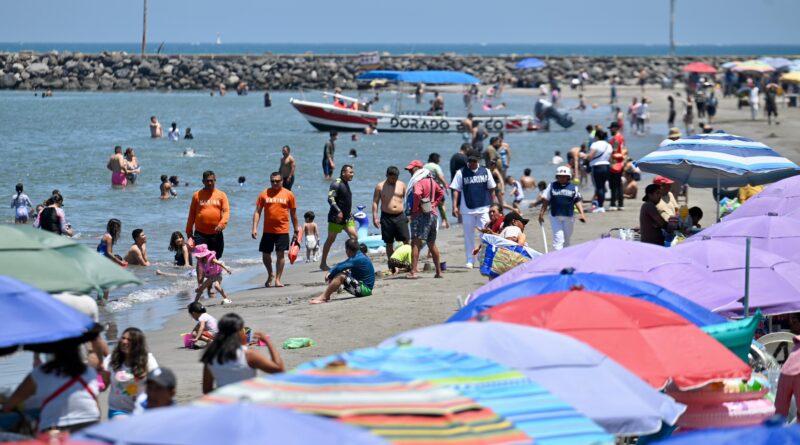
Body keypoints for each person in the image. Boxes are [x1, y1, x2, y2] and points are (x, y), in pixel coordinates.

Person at [3, 343, 101, 432]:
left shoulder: (40, 374)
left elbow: (9, 405)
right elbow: (96, 408)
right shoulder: (90, 372)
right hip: (91, 428)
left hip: (54, 432)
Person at [201, 313, 284, 393]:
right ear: (239, 332)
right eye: (243, 330)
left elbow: (207, 390)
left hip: (225, 400)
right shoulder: (248, 354)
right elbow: (279, 369)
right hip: (247, 399)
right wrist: (267, 341)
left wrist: (226, 393)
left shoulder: (210, 354)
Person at [251, 172, 298, 288]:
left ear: (282, 181)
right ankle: (270, 273)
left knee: (280, 254)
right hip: (268, 230)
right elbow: (257, 212)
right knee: (265, 255)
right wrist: (254, 228)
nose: (275, 183)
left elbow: (293, 214)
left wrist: (296, 229)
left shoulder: (289, 194)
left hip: (282, 230)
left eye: (277, 181)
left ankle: (278, 279)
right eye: (272, 181)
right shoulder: (264, 194)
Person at [450, 152, 496, 268]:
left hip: (483, 207)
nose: (471, 163)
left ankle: (482, 258)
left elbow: (492, 189)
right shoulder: (461, 172)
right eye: (470, 161)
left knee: (484, 235)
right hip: (467, 210)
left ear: (479, 160)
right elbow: (455, 190)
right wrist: (454, 206)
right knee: (468, 236)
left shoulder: (486, 171)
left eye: (474, 161)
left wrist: (494, 205)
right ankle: (470, 259)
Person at [101, 327, 159, 418]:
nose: (124, 342)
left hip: (142, 409)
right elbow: (103, 386)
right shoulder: (111, 359)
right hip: (118, 410)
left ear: (137, 344)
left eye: (129, 340)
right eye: (123, 338)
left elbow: (158, 383)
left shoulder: (147, 360)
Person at [186, 170, 230, 286]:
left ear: (215, 180)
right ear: (203, 181)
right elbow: (191, 215)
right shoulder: (197, 195)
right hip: (200, 234)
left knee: (214, 258)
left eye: (211, 180)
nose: (209, 183)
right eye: (207, 181)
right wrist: (189, 233)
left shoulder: (221, 195)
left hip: (216, 233)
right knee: (201, 259)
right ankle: (200, 285)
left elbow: (226, 212)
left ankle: (210, 286)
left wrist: (222, 224)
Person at [406, 160, 445, 279]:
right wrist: (434, 204)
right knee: (431, 243)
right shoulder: (432, 181)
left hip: (420, 215)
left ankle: (413, 271)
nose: (410, 172)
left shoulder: (418, 182)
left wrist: (415, 209)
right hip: (432, 214)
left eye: (411, 169)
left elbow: (417, 194)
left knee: (415, 242)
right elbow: (441, 193)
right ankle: (439, 272)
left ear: (418, 168)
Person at [310, 239, 375, 303]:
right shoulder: (359, 255)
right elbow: (341, 265)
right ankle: (328, 294)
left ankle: (324, 297)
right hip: (364, 288)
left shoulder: (355, 258)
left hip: (365, 290)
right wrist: (331, 272)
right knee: (344, 271)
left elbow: (339, 267)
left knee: (341, 276)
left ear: (348, 250)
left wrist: (330, 275)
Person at [538, 166, 586, 251]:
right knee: (558, 238)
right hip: (555, 216)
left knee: (567, 238)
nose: (562, 178)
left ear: (568, 177)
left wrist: (582, 214)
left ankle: (565, 254)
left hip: (569, 216)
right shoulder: (551, 186)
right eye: (560, 176)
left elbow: (577, 201)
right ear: (557, 177)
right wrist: (541, 214)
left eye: (564, 176)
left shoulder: (573, 187)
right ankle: (558, 256)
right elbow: (546, 200)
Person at [320, 165, 357, 271]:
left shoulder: (346, 183)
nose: (352, 174)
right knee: (331, 239)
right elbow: (330, 198)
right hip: (336, 217)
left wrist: (349, 212)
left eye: (352, 172)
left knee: (354, 237)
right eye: (350, 172)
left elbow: (345, 201)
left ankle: (353, 260)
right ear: (343, 173)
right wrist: (338, 211)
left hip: (347, 217)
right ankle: (323, 263)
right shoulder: (336, 183)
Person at [372, 166, 408, 260]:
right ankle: (392, 264)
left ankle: (407, 262)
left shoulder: (402, 185)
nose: (394, 180)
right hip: (386, 217)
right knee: (389, 242)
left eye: (396, 178)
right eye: (392, 178)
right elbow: (375, 202)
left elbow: (408, 200)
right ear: (387, 175)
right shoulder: (380, 186)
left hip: (400, 216)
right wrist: (375, 217)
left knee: (406, 240)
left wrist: (409, 214)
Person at [583, 129, 612, 212]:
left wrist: (585, 156)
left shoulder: (595, 144)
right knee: (602, 186)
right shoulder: (608, 145)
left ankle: (600, 206)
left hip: (597, 167)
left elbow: (590, 156)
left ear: (597, 136)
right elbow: (610, 157)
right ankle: (601, 205)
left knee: (598, 187)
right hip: (607, 166)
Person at [424, 153, 450, 229]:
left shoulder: (424, 166)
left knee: (429, 205)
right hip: (437, 188)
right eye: (439, 159)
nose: (439, 160)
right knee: (441, 204)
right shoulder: (436, 166)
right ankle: (444, 221)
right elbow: (440, 177)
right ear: (436, 159)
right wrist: (446, 185)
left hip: (427, 188)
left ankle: (429, 221)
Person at [608, 121, 628, 211]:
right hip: (620, 162)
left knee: (613, 185)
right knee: (618, 184)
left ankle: (613, 203)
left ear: (615, 128)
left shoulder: (616, 139)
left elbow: (614, 151)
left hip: (615, 163)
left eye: (611, 128)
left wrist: (610, 161)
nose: (610, 130)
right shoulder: (621, 137)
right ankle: (620, 203)